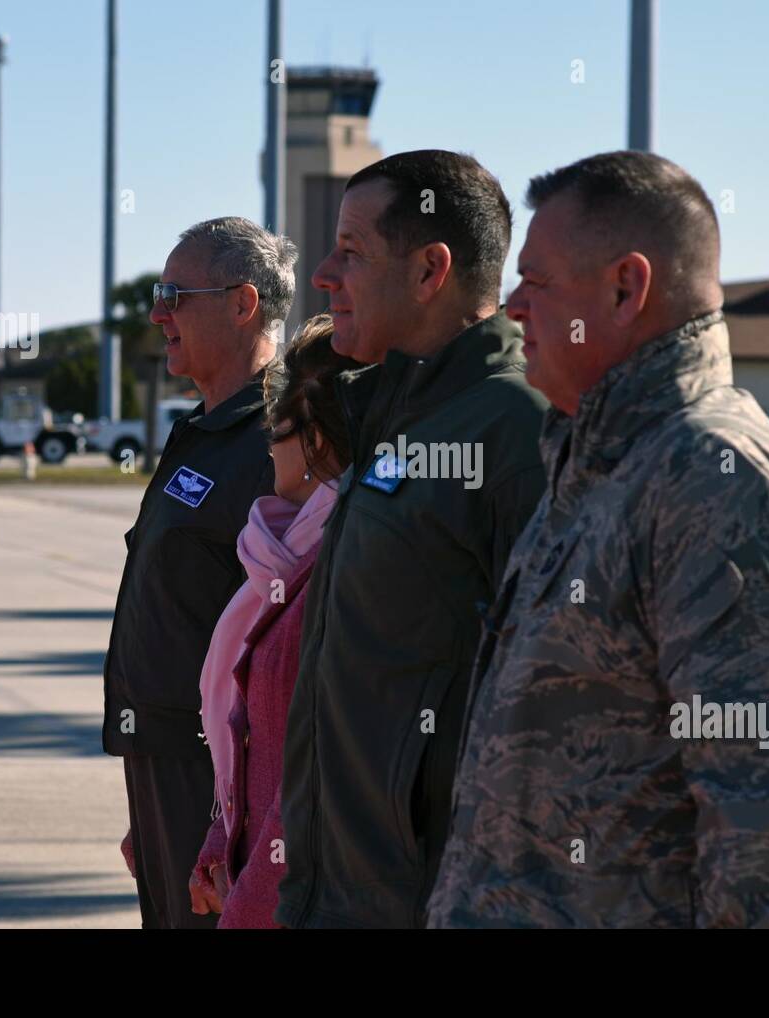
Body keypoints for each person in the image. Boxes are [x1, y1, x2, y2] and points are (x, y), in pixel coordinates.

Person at [427, 151, 769, 929]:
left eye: (535, 284)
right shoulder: (597, 459)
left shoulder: (711, 476)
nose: (513, 312)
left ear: (626, 288)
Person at [275, 150, 549, 929]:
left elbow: (554, 705)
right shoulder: (395, 416)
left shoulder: (516, 430)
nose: (325, 274)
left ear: (431, 270)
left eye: (351, 253)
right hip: (334, 894)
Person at [102, 216, 296, 928]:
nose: (158, 313)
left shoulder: (279, 440)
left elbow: (285, 638)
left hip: (220, 777)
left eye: (175, 294)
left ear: (242, 304)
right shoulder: (205, 429)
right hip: (162, 768)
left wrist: (228, 814)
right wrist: (145, 806)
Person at [187, 314, 360, 927]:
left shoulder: (342, 569)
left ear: (316, 442)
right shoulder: (284, 559)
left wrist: (249, 906)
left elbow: (312, 788)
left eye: (277, 430)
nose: (268, 448)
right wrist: (221, 836)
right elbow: (252, 738)